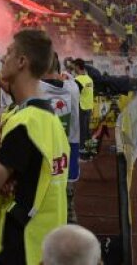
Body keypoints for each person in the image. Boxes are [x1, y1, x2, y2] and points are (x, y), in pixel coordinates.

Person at [0, 30, 70, 265]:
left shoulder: (24, 124)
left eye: (8, 53)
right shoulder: (51, 120)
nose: (3, 58)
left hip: (23, 244)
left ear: (21, 62)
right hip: (48, 244)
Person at [40, 53, 81, 224]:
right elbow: (72, 79)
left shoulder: (37, 88)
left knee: (45, 187)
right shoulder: (73, 87)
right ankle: (69, 214)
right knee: (66, 185)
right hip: (70, 144)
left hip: (45, 146)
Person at [71, 60, 94, 152]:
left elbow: (74, 95)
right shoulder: (89, 79)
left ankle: (82, 149)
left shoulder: (77, 80)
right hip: (89, 107)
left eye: (74, 67)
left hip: (82, 107)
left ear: (77, 66)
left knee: (81, 129)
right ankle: (90, 148)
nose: (73, 69)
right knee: (87, 129)